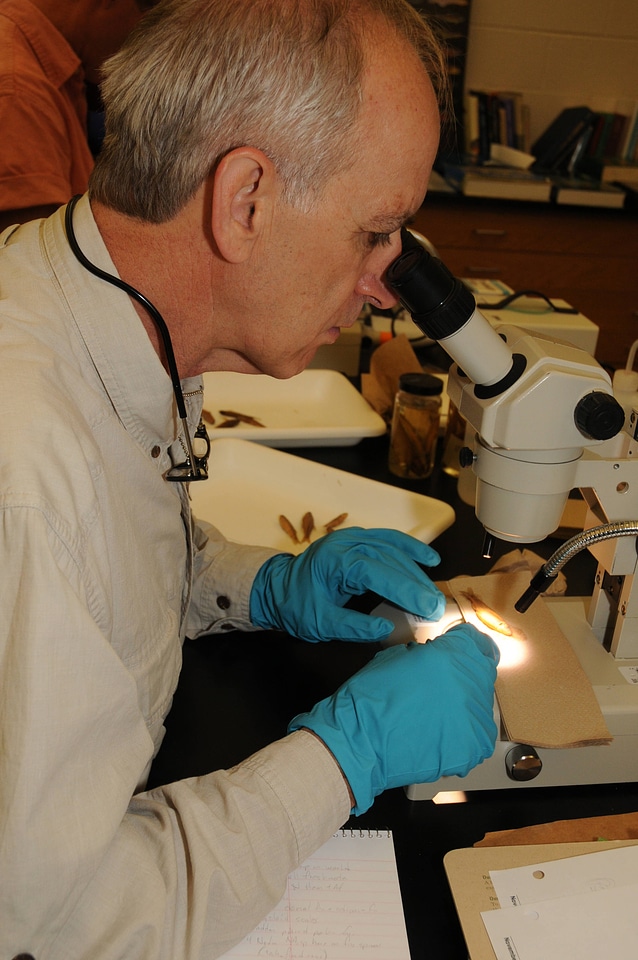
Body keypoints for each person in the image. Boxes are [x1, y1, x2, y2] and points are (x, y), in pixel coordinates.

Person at [0, 1, 500, 957]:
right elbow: (54, 927)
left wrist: (256, 582)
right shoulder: (24, 467)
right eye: (377, 232)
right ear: (246, 200)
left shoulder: (100, 306)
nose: (387, 283)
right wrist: (339, 762)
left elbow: (107, 559)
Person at [0, 0, 157, 232]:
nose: (141, 56)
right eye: (149, 31)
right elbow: (36, 259)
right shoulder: (20, 91)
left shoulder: (41, 57)